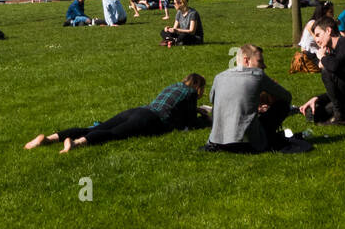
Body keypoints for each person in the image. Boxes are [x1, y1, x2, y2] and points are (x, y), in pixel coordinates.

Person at [24, 74, 208, 152]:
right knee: (114, 135)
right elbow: (190, 122)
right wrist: (205, 118)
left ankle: (49, 139)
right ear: (197, 87)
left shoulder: (174, 86)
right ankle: (77, 143)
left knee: (95, 127)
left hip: (138, 110)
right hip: (150, 119)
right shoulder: (191, 93)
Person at [206, 45, 292, 153]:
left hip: (217, 140)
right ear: (246, 60)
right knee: (283, 105)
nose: (264, 66)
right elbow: (286, 96)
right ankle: (266, 137)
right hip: (247, 143)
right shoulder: (258, 75)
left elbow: (213, 99)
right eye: (260, 61)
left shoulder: (219, 77)